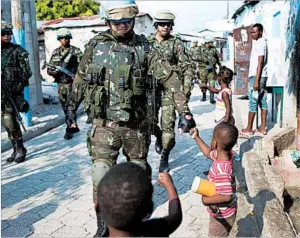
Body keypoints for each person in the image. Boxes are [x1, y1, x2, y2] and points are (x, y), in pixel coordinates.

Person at [69, 1, 195, 235]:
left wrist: (184, 111)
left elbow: (170, 79)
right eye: (117, 22)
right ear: (108, 21)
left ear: (134, 20)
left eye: (127, 21)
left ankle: (135, 221)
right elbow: (81, 78)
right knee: (100, 173)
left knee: (138, 172)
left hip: (136, 127)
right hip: (104, 125)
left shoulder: (146, 49)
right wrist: (70, 111)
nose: (122, 26)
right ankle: (103, 227)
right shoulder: (96, 45)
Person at [148, 9, 195, 172]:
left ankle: (165, 156)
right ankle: (158, 136)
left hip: (170, 91)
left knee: (168, 128)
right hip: (150, 90)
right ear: (156, 25)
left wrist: (186, 87)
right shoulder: (147, 43)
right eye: (161, 24)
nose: (165, 27)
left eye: (168, 24)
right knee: (149, 123)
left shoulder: (176, 44)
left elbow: (187, 67)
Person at [97, 162, 182, 237]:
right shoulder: (156, 229)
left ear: (97, 207)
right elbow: (176, 215)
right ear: (150, 208)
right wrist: (169, 184)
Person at [190, 123, 238, 237]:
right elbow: (208, 153)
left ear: (215, 143)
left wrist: (206, 200)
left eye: (213, 137)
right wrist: (196, 137)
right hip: (222, 211)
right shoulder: (226, 154)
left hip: (222, 215)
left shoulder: (221, 169)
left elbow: (227, 196)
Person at [1, 21, 32, 164]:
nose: (7, 36)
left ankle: (20, 148)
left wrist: (16, 86)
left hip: (12, 93)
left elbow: (27, 72)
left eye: (9, 33)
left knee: (11, 120)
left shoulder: (18, 51)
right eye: (3, 34)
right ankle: (15, 148)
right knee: (6, 123)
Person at [47, 28, 83, 140]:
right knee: (65, 107)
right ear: (59, 39)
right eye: (63, 38)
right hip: (61, 85)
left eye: (67, 38)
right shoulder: (55, 52)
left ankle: (70, 127)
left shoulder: (76, 51)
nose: (65, 40)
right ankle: (71, 124)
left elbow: (83, 67)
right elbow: (50, 68)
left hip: (73, 84)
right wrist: (54, 72)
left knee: (71, 107)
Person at [240, 23, 268, 137]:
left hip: (258, 77)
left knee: (253, 101)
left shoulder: (261, 43)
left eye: (254, 32)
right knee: (262, 101)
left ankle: (249, 128)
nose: (252, 34)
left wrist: (256, 80)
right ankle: (262, 128)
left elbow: (260, 62)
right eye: (251, 32)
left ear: (260, 32)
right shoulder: (261, 42)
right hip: (261, 76)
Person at [204, 38, 222, 104]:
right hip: (203, 68)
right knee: (204, 82)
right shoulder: (201, 49)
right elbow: (195, 57)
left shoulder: (214, 49)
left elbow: (217, 58)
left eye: (212, 42)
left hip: (211, 68)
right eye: (210, 42)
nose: (212, 43)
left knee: (212, 82)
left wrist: (219, 65)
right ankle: (204, 96)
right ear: (207, 43)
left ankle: (211, 98)